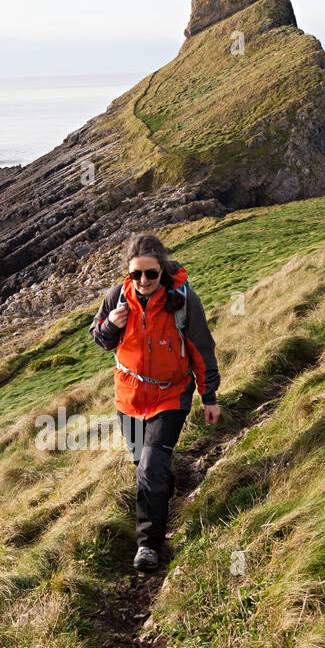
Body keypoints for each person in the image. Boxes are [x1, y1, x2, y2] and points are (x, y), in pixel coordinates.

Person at [90, 232, 221, 572]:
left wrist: (209, 396)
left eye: (151, 274)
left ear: (162, 271)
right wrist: (110, 327)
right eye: (137, 274)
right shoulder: (116, 298)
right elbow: (99, 339)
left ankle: (148, 545)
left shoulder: (184, 302)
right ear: (128, 273)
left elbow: (201, 349)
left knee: (149, 467)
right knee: (145, 466)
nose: (144, 280)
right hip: (129, 398)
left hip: (171, 395)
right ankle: (166, 489)